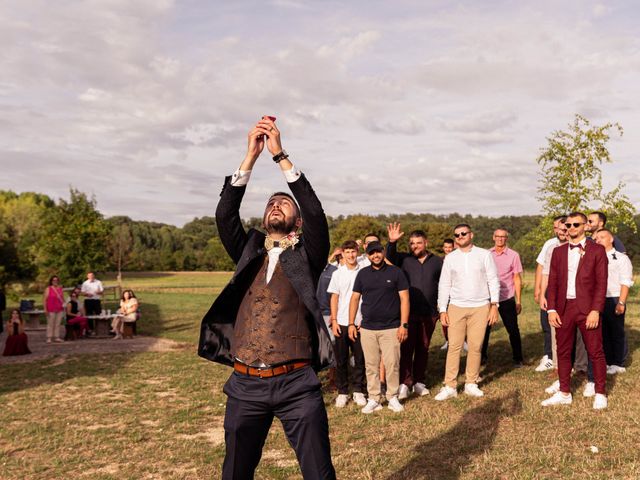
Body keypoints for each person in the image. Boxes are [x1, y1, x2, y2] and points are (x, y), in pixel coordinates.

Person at [197, 117, 336, 480]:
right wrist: (250, 157)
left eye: (284, 204)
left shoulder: (308, 255)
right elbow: (225, 215)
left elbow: (317, 214)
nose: (277, 205)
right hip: (245, 384)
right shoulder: (248, 251)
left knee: (319, 473)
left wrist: (280, 156)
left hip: (297, 384)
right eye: (272, 202)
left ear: (297, 222)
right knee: (235, 473)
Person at [542, 212, 608, 410]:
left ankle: (600, 392)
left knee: (595, 351)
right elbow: (552, 283)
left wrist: (596, 310)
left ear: (585, 226)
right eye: (567, 225)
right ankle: (564, 392)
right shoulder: (558, 252)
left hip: (588, 309)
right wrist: (552, 309)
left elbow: (601, 284)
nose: (570, 228)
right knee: (562, 351)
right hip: (563, 309)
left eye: (575, 224)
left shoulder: (597, 250)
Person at [435, 224, 500, 401]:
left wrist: (494, 305)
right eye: (457, 235)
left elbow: (493, 280)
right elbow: (444, 284)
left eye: (463, 233)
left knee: (475, 346)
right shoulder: (450, 258)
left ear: (471, 234)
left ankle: (471, 383)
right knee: (454, 347)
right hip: (456, 306)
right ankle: (450, 386)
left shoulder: (484, 255)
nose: (460, 236)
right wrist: (442, 309)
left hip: (481, 306)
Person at [349, 241, 409, 414]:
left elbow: (405, 299)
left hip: (391, 327)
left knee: (392, 364)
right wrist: (351, 323)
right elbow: (354, 299)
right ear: (367, 255)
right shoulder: (362, 274)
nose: (375, 255)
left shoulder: (396, 272)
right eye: (371, 253)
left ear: (383, 252)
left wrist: (404, 324)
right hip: (367, 328)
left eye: (378, 252)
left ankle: (392, 397)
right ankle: (374, 398)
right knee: (371, 365)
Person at [386, 224, 442, 398]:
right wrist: (392, 242)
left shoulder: (438, 261)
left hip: (430, 313)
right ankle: (405, 382)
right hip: (408, 313)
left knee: (423, 348)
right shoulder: (404, 260)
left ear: (426, 242)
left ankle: (419, 381)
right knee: (406, 348)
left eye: (418, 243)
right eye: (412, 243)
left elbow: (445, 284)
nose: (415, 246)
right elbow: (390, 257)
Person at [327, 240, 367, 408]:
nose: (351, 255)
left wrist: (365, 318)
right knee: (341, 359)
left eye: (353, 251)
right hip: (341, 322)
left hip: (360, 322)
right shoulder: (338, 273)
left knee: (360, 358)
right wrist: (334, 320)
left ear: (357, 252)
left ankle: (359, 390)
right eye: (347, 252)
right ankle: (343, 392)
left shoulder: (365, 272)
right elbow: (334, 297)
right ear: (342, 253)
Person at [481, 229, 524, 367]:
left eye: (503, 237)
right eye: (498, 236)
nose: (500, 239)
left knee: (513, 329)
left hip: (507, 297)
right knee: (484, 330)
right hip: (488, 298)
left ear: (506, 238)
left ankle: (518, 358)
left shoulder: (513, 255)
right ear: (493, 237)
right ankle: (482, 357)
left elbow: (517, 278)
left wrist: (518, 301)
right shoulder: (486, 254)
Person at [594, 229, 633, 374]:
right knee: (602, 332)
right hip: (597, 299)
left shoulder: (621, 258)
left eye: (602, 237)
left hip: (614, 298)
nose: (598, 240)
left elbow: (625, 281)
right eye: (597, 238)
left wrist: (621, 302)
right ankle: (608, 361)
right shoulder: (593, 257)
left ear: (611, 239)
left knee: (616, 331)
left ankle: (619, 363)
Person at [533, 215, 566, 372]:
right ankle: (549, 357)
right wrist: (539, 290)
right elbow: (542, 268)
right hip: (550, 291)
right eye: (555, 227)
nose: (557, 230)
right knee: (547, 325)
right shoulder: (550, 245)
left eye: (559, 227)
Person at [440, 238, 455, 350]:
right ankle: (447, 340)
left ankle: (462, 340)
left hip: (455, 293)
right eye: (446, 247)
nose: (448, 249)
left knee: (456, 318)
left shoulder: (457, 259)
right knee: (444, 317)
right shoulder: (440, 261)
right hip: (444, 292)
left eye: (450, 247)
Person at [43, 275, 65, 343]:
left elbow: (62, 298)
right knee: (50, 323)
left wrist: (64, 305)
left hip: (59, 308)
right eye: (54, 280)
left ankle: (56, 337)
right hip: (51, 308)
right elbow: (44, 300)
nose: (55, 281)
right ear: (51, 281)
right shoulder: (48, 288)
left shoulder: (60, 289)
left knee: (57, 324)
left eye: (56, 280)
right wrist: (45, 309)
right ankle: (49, 337)